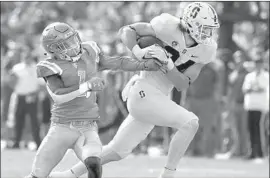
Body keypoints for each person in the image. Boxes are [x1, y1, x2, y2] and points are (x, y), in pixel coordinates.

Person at [50, 2, 220, 178]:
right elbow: (127, 30)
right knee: (190, 123)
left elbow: (182, 84)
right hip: (143, 91)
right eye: (204, 28)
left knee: (117, 150)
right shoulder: (167, 26)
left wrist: (168, 64)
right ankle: (168, 174)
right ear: (190, 23)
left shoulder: (205, 50)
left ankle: (68, 174)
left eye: (210, 29)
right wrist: (138, 51)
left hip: (156, 99)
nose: (208, 34)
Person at [24, 22, 163, 178]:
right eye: (66, 44)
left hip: (87, 127)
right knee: (37, 175)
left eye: (73, 39)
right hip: (62, 128)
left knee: (94, 164)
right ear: (54, 49)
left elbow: (118, 62)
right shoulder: (50, 66)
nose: (74, 45)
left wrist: (143, 65)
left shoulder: (89, 51)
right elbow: (58, 96)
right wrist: (87, 86)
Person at [8, 49, 43, 149]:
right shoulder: (17, 68)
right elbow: (11, 82)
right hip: (20, 97)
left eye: (28, 57)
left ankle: (38, 143)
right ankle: (16, 142)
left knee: (34, 121)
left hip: (32, 97)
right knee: (18, 120)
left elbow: (40, 85)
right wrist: (13, 82)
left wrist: (35, 94)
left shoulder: (36, 68)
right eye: (25, 57)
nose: (27, 58)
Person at [242, 58, 269, 162]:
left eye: (259, 64)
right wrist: (254, 89)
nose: (258, 66)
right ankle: (253, 152)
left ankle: (262, 153)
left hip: (261, 107)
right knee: (251, 130)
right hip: (250, 105)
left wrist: (253, 89)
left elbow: (262, 88)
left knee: (260, 130)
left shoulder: (266, 76)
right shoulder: (249, 76)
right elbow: (245, 89)